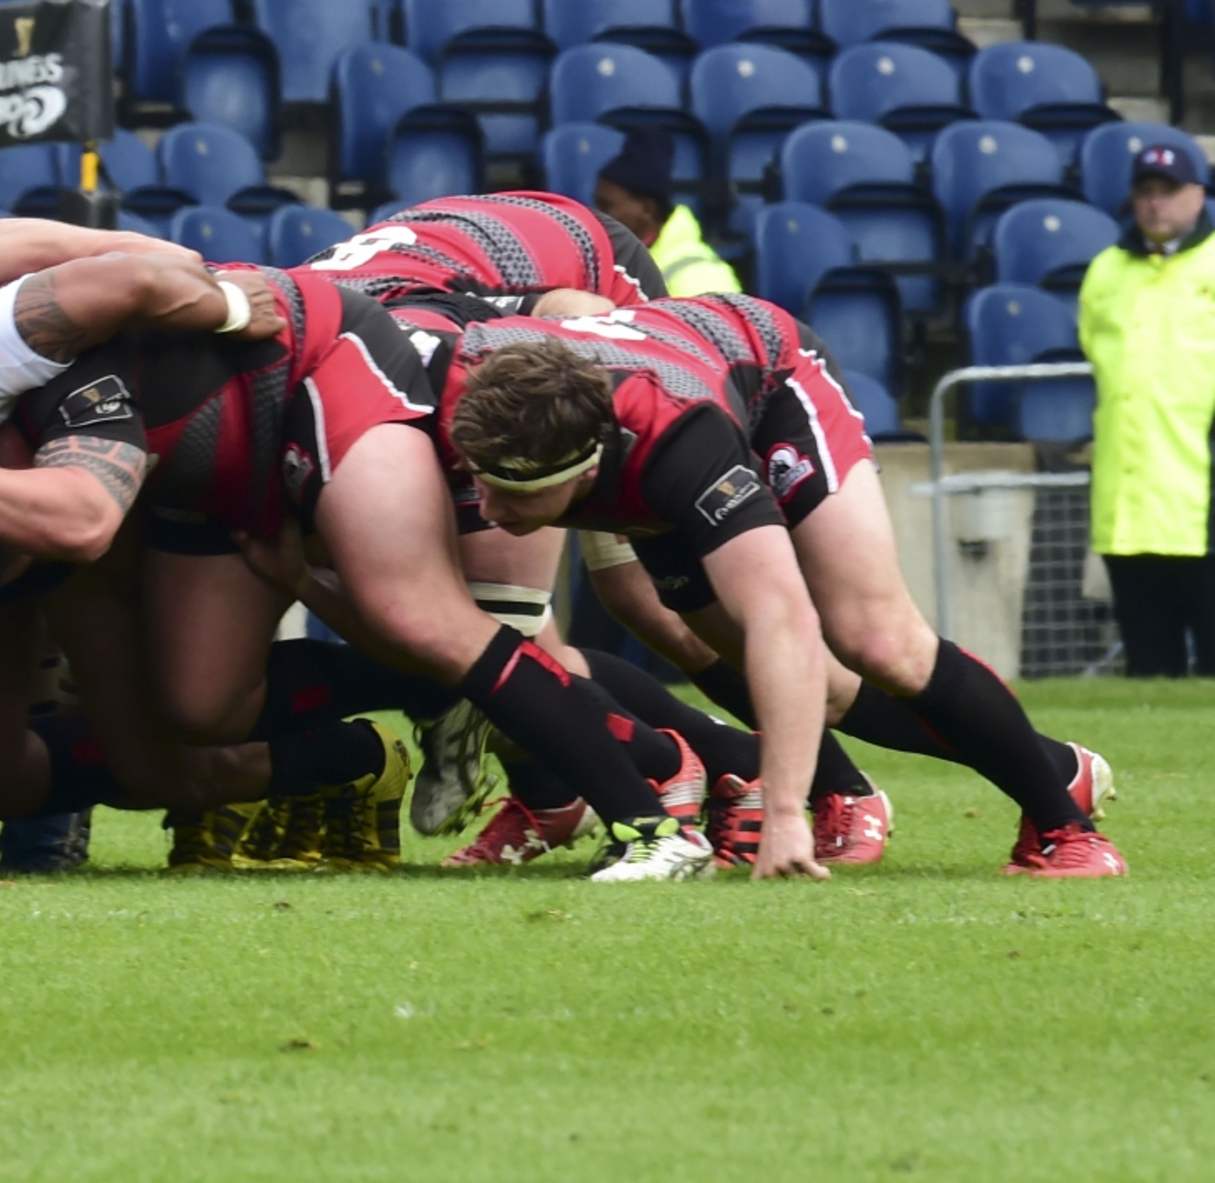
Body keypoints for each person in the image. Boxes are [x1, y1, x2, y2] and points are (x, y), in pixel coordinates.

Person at [441, 300, 1125, 878]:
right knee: (770, 671)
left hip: (771, 383)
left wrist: (782, 814)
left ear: (581, 473)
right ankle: (1052, 767)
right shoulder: (472, 384)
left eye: (509, 494)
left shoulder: (681, 445)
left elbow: (782, 614)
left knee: (877, 641)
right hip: (651, 394)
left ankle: (1067, 829)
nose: (488, 513)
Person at [1079, 139, 1215, 677]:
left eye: (1169, 191)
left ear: (1199, 193)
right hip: (1128, 506)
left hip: (1202, 500)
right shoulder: (1106, 271)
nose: (1156, 203)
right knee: (1149, 669)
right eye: (1146, 192)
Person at [591, 128, 741, 296]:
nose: (596, 215)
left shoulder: (700, 278)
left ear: (647, 209)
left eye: (606, 205)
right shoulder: (621, 259)